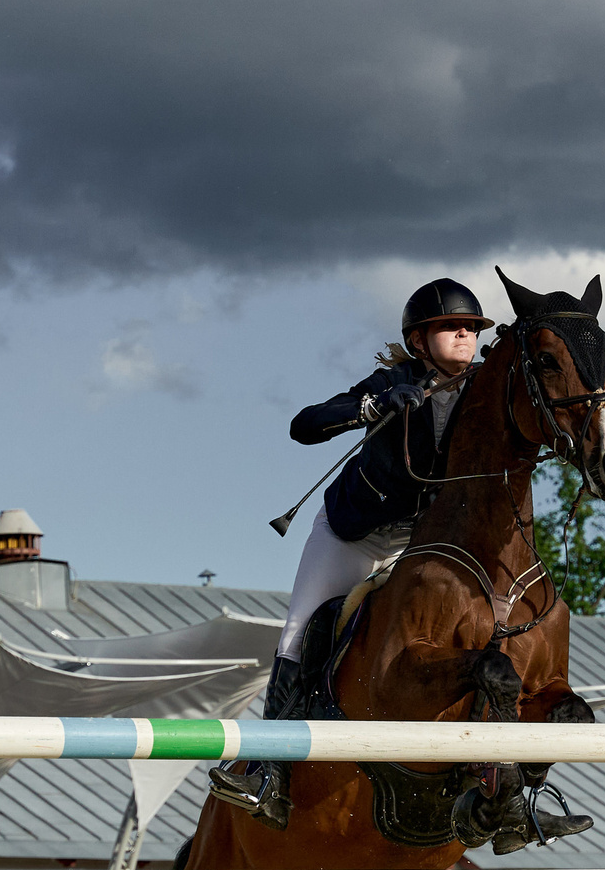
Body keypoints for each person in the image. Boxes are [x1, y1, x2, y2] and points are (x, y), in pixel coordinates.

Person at [206, 278, 496, 825]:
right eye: (452, 326)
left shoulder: (484, 390)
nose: (465, 333)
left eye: (472, 328)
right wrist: (374, 405)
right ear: (418, 339)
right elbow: (304, 426)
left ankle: (493, 781)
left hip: (423, 545)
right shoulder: (393, 381)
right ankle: (269, 772)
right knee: (297, 637)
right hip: (354, 536)